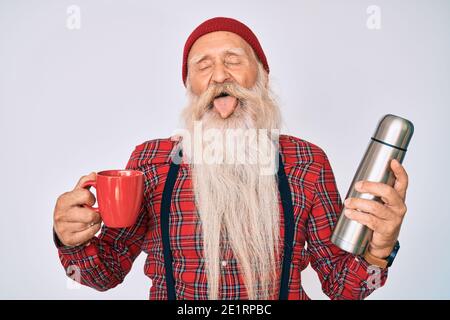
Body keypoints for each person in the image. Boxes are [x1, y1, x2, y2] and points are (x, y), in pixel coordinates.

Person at [53, 17, 409, 300]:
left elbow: (343, 287)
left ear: (263, 78)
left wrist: (378, 249)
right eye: (203, 66)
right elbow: (104, 275)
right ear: (189, 87)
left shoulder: (307, 161)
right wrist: (70, 241)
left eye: (234, 61)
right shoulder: (150, 161)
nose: (220, 76)